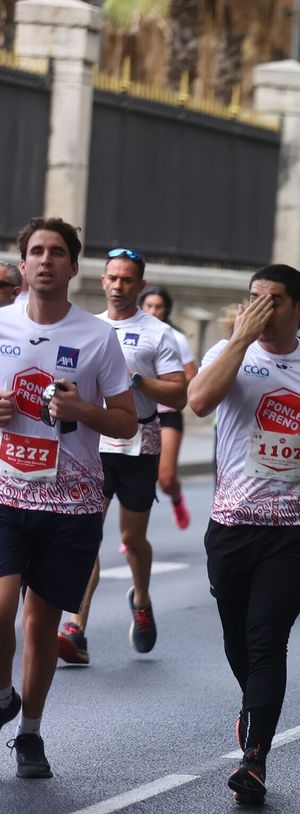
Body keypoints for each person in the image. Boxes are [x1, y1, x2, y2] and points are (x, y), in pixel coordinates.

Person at [189, 264, 300, 805]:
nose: (263, 309)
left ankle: (255, 758)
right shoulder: (231, 354)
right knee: (237, 638)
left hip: (296, 530)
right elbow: (198, 401)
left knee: (267, 638)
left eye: (275, 301)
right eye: (254, 299)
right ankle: (254, 709)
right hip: (233, 527)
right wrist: (239, 341)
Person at [0, 218, 139, 778]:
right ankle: (2, 697)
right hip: (6, 491)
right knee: (2, 604)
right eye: (36, 251)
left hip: (71, 502)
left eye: (57, 252)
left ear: (73, 267)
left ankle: (30, 734)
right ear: (23, 263)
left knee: (39, 624)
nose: (45, 260)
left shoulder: (96, 337)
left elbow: (128, 423)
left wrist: (83, 411)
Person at [54, 249, 188, 665]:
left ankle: (142, 598)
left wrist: (136, 380)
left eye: (127, 279)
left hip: (138, 445)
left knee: (130, 540)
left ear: (140, 285)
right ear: (102, 281)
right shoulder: (85, 328)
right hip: (91, 446)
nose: (118, 286)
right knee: (86, 537)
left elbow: (179, 394)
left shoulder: (158, 333)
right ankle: (76, 629)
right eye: (112, 278)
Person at [139, 287, 198, 528]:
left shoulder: (174, 337)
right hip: (138, 415)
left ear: (166, 310)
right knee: (138, 480)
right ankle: (132, 532)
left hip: (167, 414)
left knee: (166, 477)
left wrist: (161, 383)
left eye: (158, 307)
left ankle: (176, 498)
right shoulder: (131, 332)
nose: (153, 311)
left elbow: (191, 376)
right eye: (149, 306)